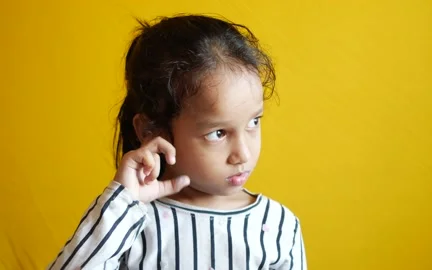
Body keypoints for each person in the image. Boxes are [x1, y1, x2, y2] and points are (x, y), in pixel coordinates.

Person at [48, 14, 306, 270]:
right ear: (152, 131)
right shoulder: (132, 224)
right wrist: (122, 201)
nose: (243, 154)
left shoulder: (279, 227)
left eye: (254, 122)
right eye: (218, 133)